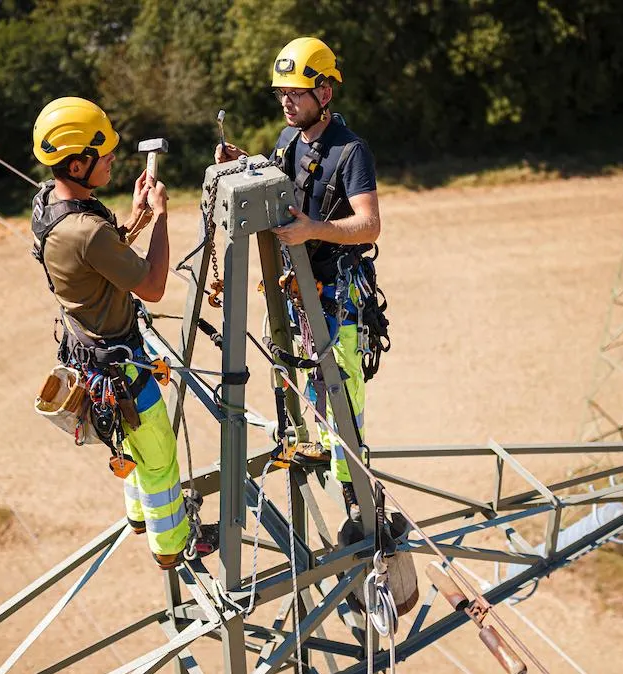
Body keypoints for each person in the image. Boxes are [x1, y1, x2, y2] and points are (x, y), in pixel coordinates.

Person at [30, 96, 216, 569]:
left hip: (88, 356)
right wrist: (164, 216)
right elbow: (152, 286)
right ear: (77, 162)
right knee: (158, 456)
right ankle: (172, 544)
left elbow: (102, 258)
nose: (113, 157)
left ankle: (136, 517)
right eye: (104, 152)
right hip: (119, 363)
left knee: (128, 443)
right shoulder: (87, 230)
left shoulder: (49, 206)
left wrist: (137, 218)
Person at [216, 37, 385, 519]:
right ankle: (316, 446)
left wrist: (315, 229)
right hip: (299, 286)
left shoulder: (351, 152)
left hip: (336, 290)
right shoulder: (289, 139)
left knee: (343, 387)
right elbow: (279, 184)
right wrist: (243, 161)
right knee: (307, 374)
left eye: (297, 92)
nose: (287, 101)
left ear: (325, 93)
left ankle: (354, 487)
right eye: (281, 93)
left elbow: (370, 225)